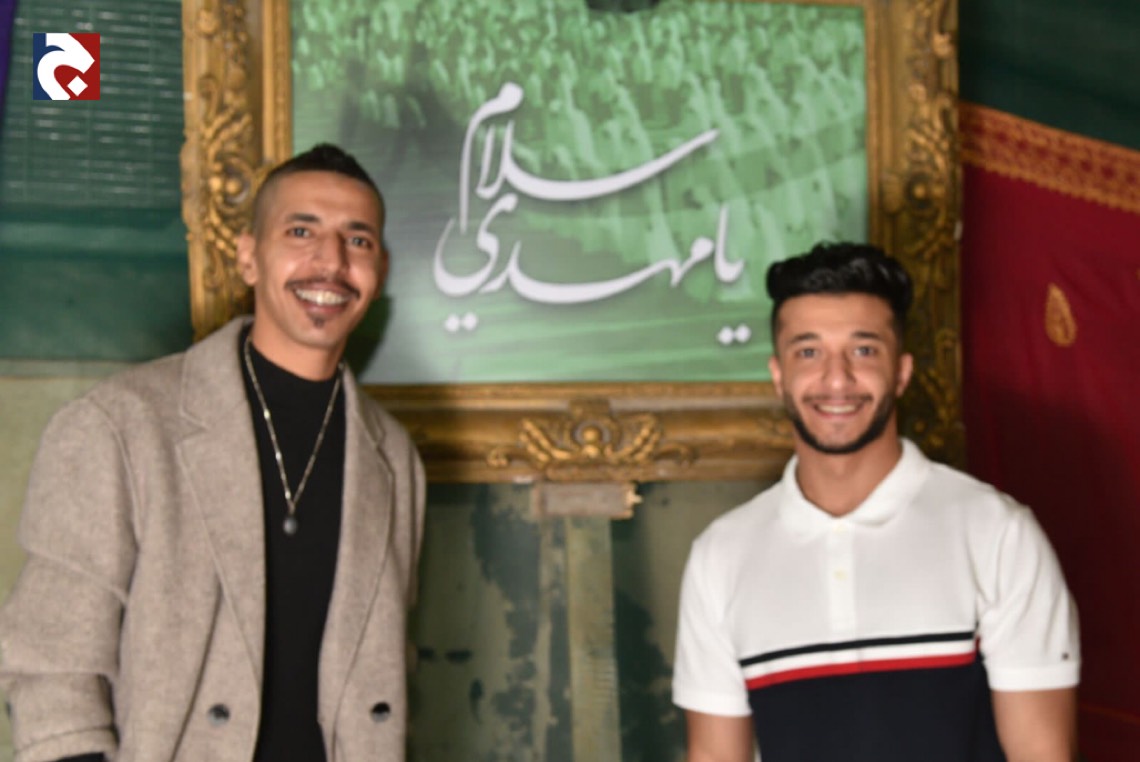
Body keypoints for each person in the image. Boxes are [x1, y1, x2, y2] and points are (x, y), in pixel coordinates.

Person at [0, 144, 425, 762]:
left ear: (378, 270)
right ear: (249, 257)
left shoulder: (393, 457)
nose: (331, 262)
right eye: (301, 231)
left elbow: (385, 669)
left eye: (356, 241)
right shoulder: (120, 425)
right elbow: (52, 664)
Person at [672, 242, 1080, 762]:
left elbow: (1043, 754)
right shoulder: (722, 555)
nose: (836, 379)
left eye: (863, 351)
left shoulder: (997, 533)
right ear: (778, 375)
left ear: (902, 371)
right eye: (808, 352)